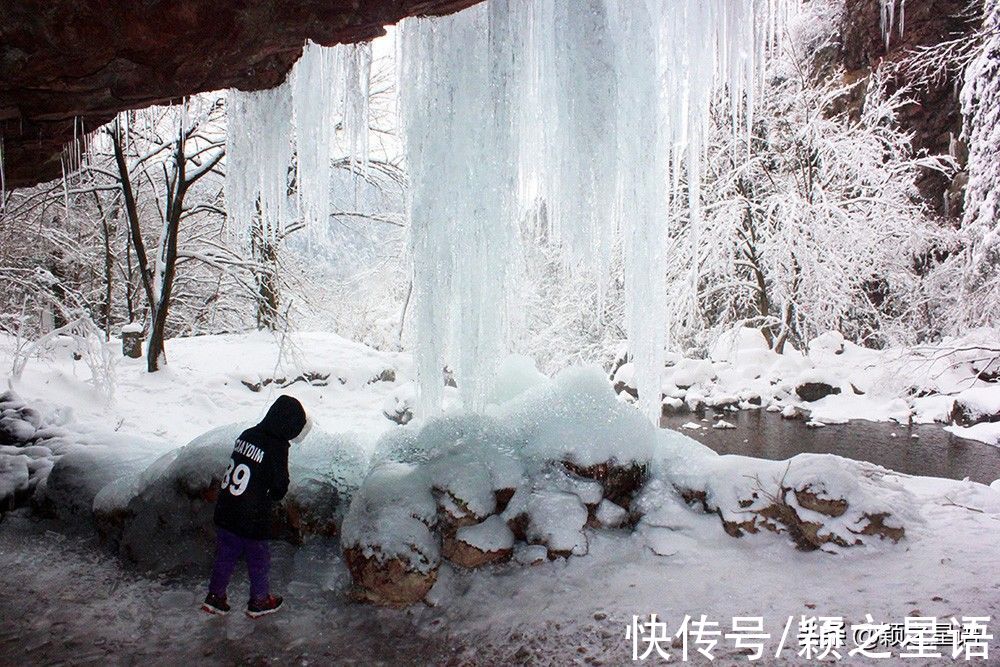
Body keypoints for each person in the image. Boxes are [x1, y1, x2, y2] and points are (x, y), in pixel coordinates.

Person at [201, 395, 311, 618]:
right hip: (251, 516)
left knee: (225, 554)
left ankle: (215, 597)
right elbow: (280, 484)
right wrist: (276, 493)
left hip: (226, 507)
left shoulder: (248, 434)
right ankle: (259, 601)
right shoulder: (277, 445)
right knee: (258, 558)